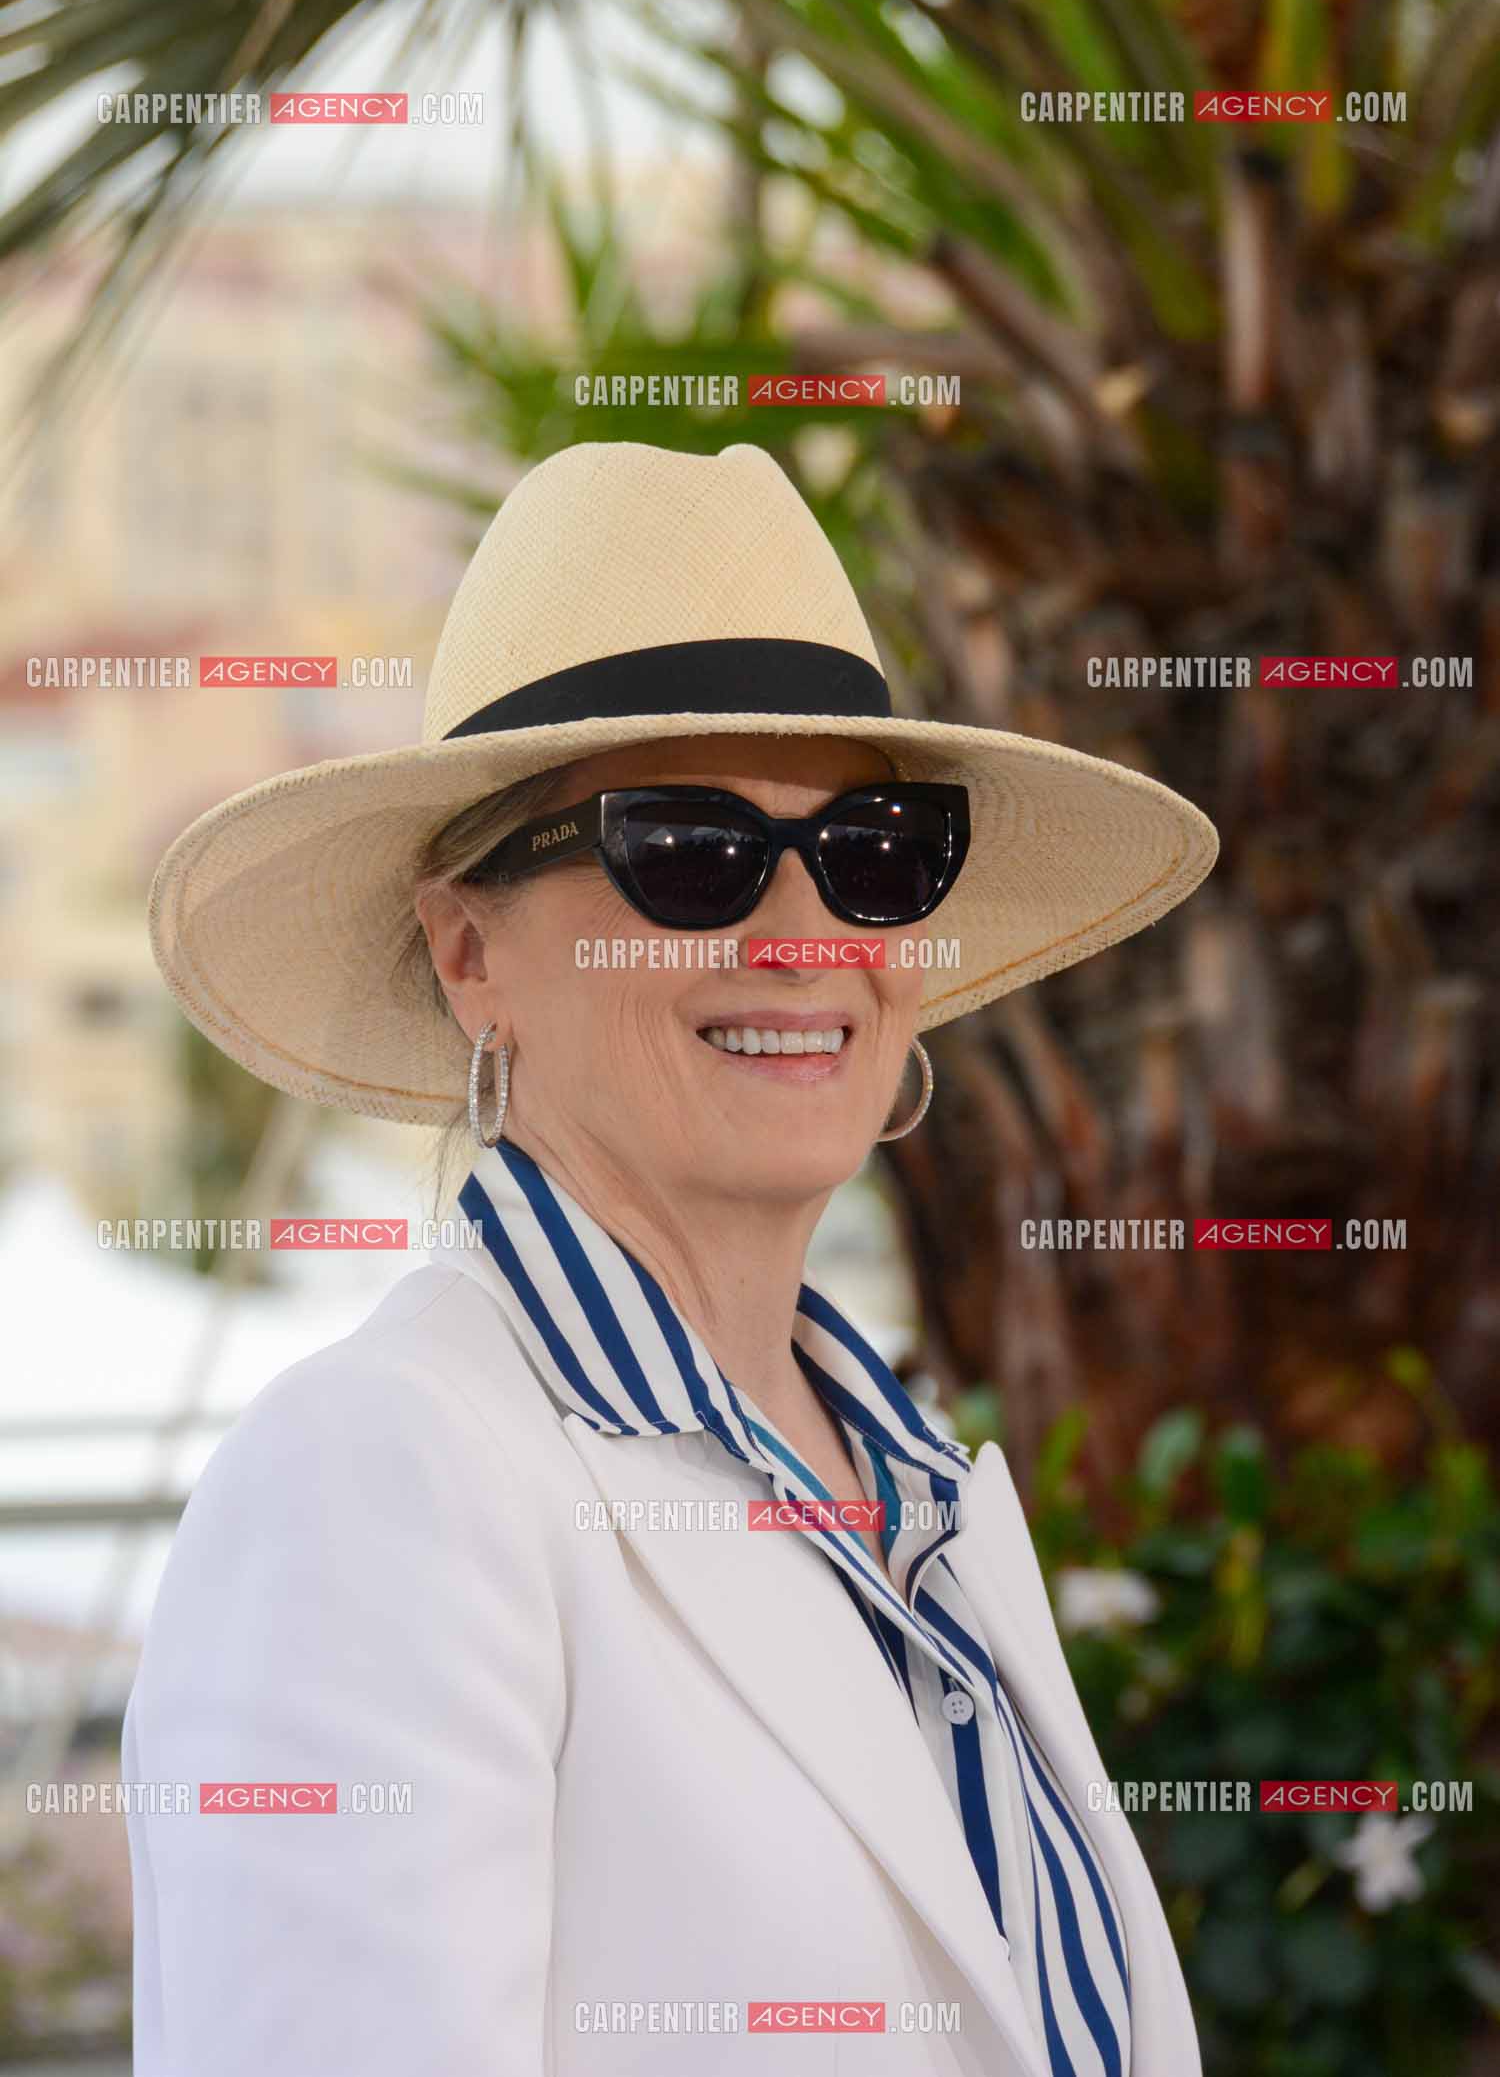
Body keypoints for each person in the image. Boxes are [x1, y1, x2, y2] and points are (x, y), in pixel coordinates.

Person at [125, 440, 1216, 2075]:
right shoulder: (381, 1477)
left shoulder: (924, 1488)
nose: (803, 938)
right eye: (691, 855)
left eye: (876, 855)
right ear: (468, 947)